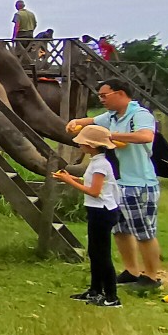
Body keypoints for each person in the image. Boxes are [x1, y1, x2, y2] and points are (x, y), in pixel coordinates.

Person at [68, 79, 163, 287]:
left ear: (120, 93)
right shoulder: (110, 116)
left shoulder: (139, 114)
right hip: (117, 183)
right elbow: (92, 120)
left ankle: (152, 276)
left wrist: (109, 136)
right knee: (120, 230)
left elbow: (146, 136)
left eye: (104, 95)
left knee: (143, 232)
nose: (101, 99)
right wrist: (76, 122)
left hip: (139, 183)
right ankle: (131, 270)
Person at [52, 124, 123, 307]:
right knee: (94, 252)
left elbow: (94, 191)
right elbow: (95, 183)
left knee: (102, 255)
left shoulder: (101, 164)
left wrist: (69, 182)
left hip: (103, 212)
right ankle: (95, 291)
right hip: (97, 211)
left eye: (82, 143)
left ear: (91, 145)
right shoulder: (97, 161)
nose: (80, 146)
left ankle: (111, 297)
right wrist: (73, 178)